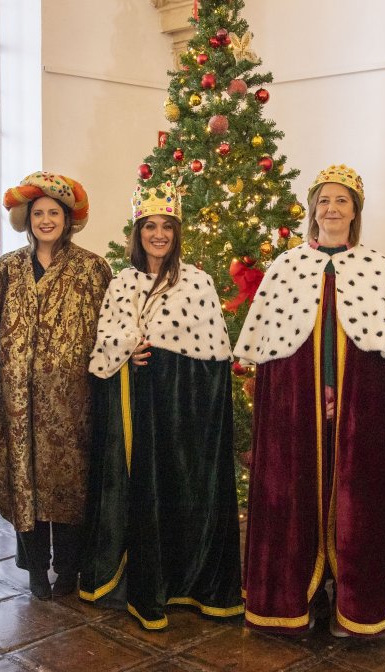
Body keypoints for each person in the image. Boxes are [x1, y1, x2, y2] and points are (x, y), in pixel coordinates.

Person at [234, 164, 385, 637]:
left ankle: (353, 601)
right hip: (295, 407)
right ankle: (295, 598)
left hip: (360, 408)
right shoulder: (286, 266)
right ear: (313, 210)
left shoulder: (377, 267)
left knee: (356, 501)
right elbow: (269, 345)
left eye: (341, 201)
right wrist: (311, 394)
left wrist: (342, 393)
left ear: (355, 211)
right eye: (324, 201)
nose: (332, 209)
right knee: (294, 498)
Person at [80, 181, 242, 629]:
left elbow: (214, 354)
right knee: (138, 496)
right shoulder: (121, 282)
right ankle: (138, 583)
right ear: (138, 232)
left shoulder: (197, 282)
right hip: (135, 408)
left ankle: (183, 583)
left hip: (178, 412)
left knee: (175, 495)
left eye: (166, 227)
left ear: (176, 233)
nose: (158, 234)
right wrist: (128, 347)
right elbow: (104, 343)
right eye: (150, 226)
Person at [0, 171, 112, 599]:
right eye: (38, 213)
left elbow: (109, 332)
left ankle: (69, 568)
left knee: (70, 486)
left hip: (73, 404)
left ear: (67, 218)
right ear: (27, 218)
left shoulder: (92, 268)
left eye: (53, 213)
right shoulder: (6, 269)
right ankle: (36, 568)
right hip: (17, 402)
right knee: (25, 484)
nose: (45, 220)